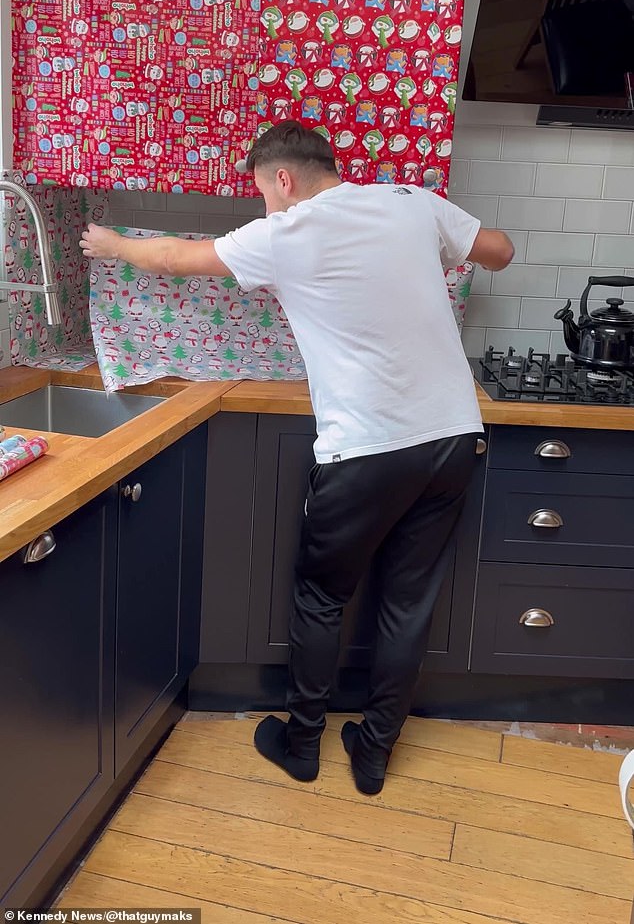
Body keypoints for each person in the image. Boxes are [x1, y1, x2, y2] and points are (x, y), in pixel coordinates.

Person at [80, 122, 514, 795]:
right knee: (407, 603)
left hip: (366, 448)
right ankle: (372, 754)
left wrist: (107, 243)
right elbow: (501, 250)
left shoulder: (287, 232)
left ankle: (303, 741)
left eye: (261, 193)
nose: (264, 208)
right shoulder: (409, 201)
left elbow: (172, 256)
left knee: (321, 596)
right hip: (454, 436)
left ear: (283, 179)